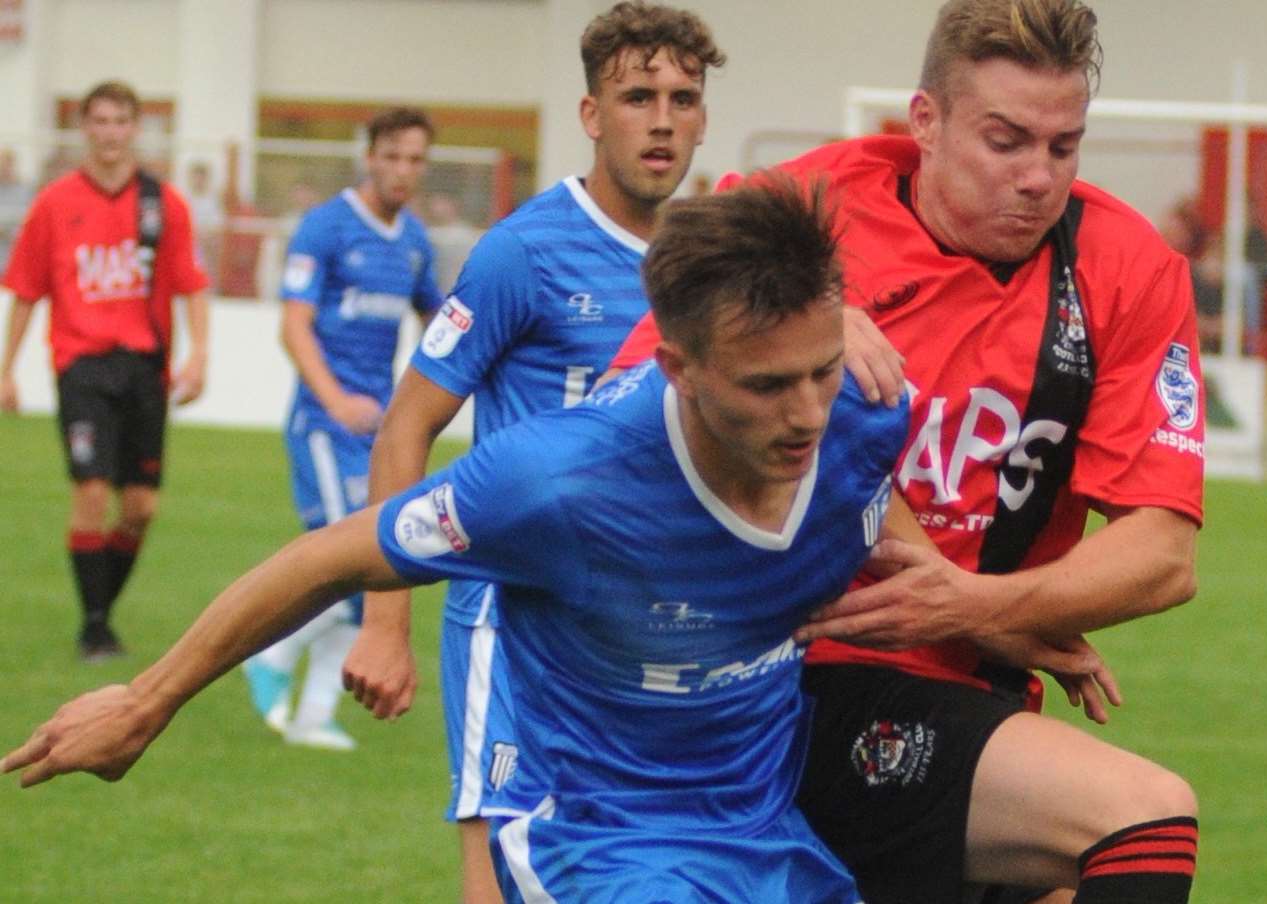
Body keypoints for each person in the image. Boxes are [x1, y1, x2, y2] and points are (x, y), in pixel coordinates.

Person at [4, 178, 922, 904]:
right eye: (768, 387)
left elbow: (877, 523)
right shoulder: (551, 483)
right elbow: (329, 555)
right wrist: (148, 701)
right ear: (673, 366)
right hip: (597, 845)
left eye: (824, 370)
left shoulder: (868, 416)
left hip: (767, 838)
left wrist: (1002, 615)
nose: (808, 412)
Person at [612, 2, 1203, 902]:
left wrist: (979, 607)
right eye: (1005, 141)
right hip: (782, 677)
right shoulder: (794, 219)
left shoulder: (1129, 268)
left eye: (1063, 146)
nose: (1039, 177)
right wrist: (792, 333)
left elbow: (1163, 553)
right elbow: (631, 409)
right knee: (1143, 818)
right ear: (924, 122)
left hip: (978, 700)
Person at [339, 4, 724, 900]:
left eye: (682, 97)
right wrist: (384, 623)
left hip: (642, 631)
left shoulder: (704, 264)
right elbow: (407, 426)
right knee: (503, 885)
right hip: (514, 623)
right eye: (637, 96)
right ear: (593, 115)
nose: (662, 119)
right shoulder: (523, 253)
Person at [241, 107, 444, 751]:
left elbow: (439, 325)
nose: (403, 171)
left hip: (380, 434)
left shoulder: (413, 241)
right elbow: (293, 325)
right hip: (325, 426)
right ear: (370, 156)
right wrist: (334, 400)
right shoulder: (326, 227)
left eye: (416, 160)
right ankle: (269, 656)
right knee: (353, 565)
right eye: (393, 157)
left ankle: (312, 716)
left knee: (372, 569)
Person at [0, 80, 210, 660]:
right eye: (100, 121)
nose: (110, 132)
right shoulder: (54, 203)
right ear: (84, 128)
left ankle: (100, 611)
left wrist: (198, 354)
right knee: (92, 491)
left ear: (134, 128)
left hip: (146, 368)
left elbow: (192, 285)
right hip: (82, 364)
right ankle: (95, 625)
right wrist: (7, 369)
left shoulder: (161, 203)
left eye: (121, 121)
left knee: (140, 508)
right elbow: (25, 291)